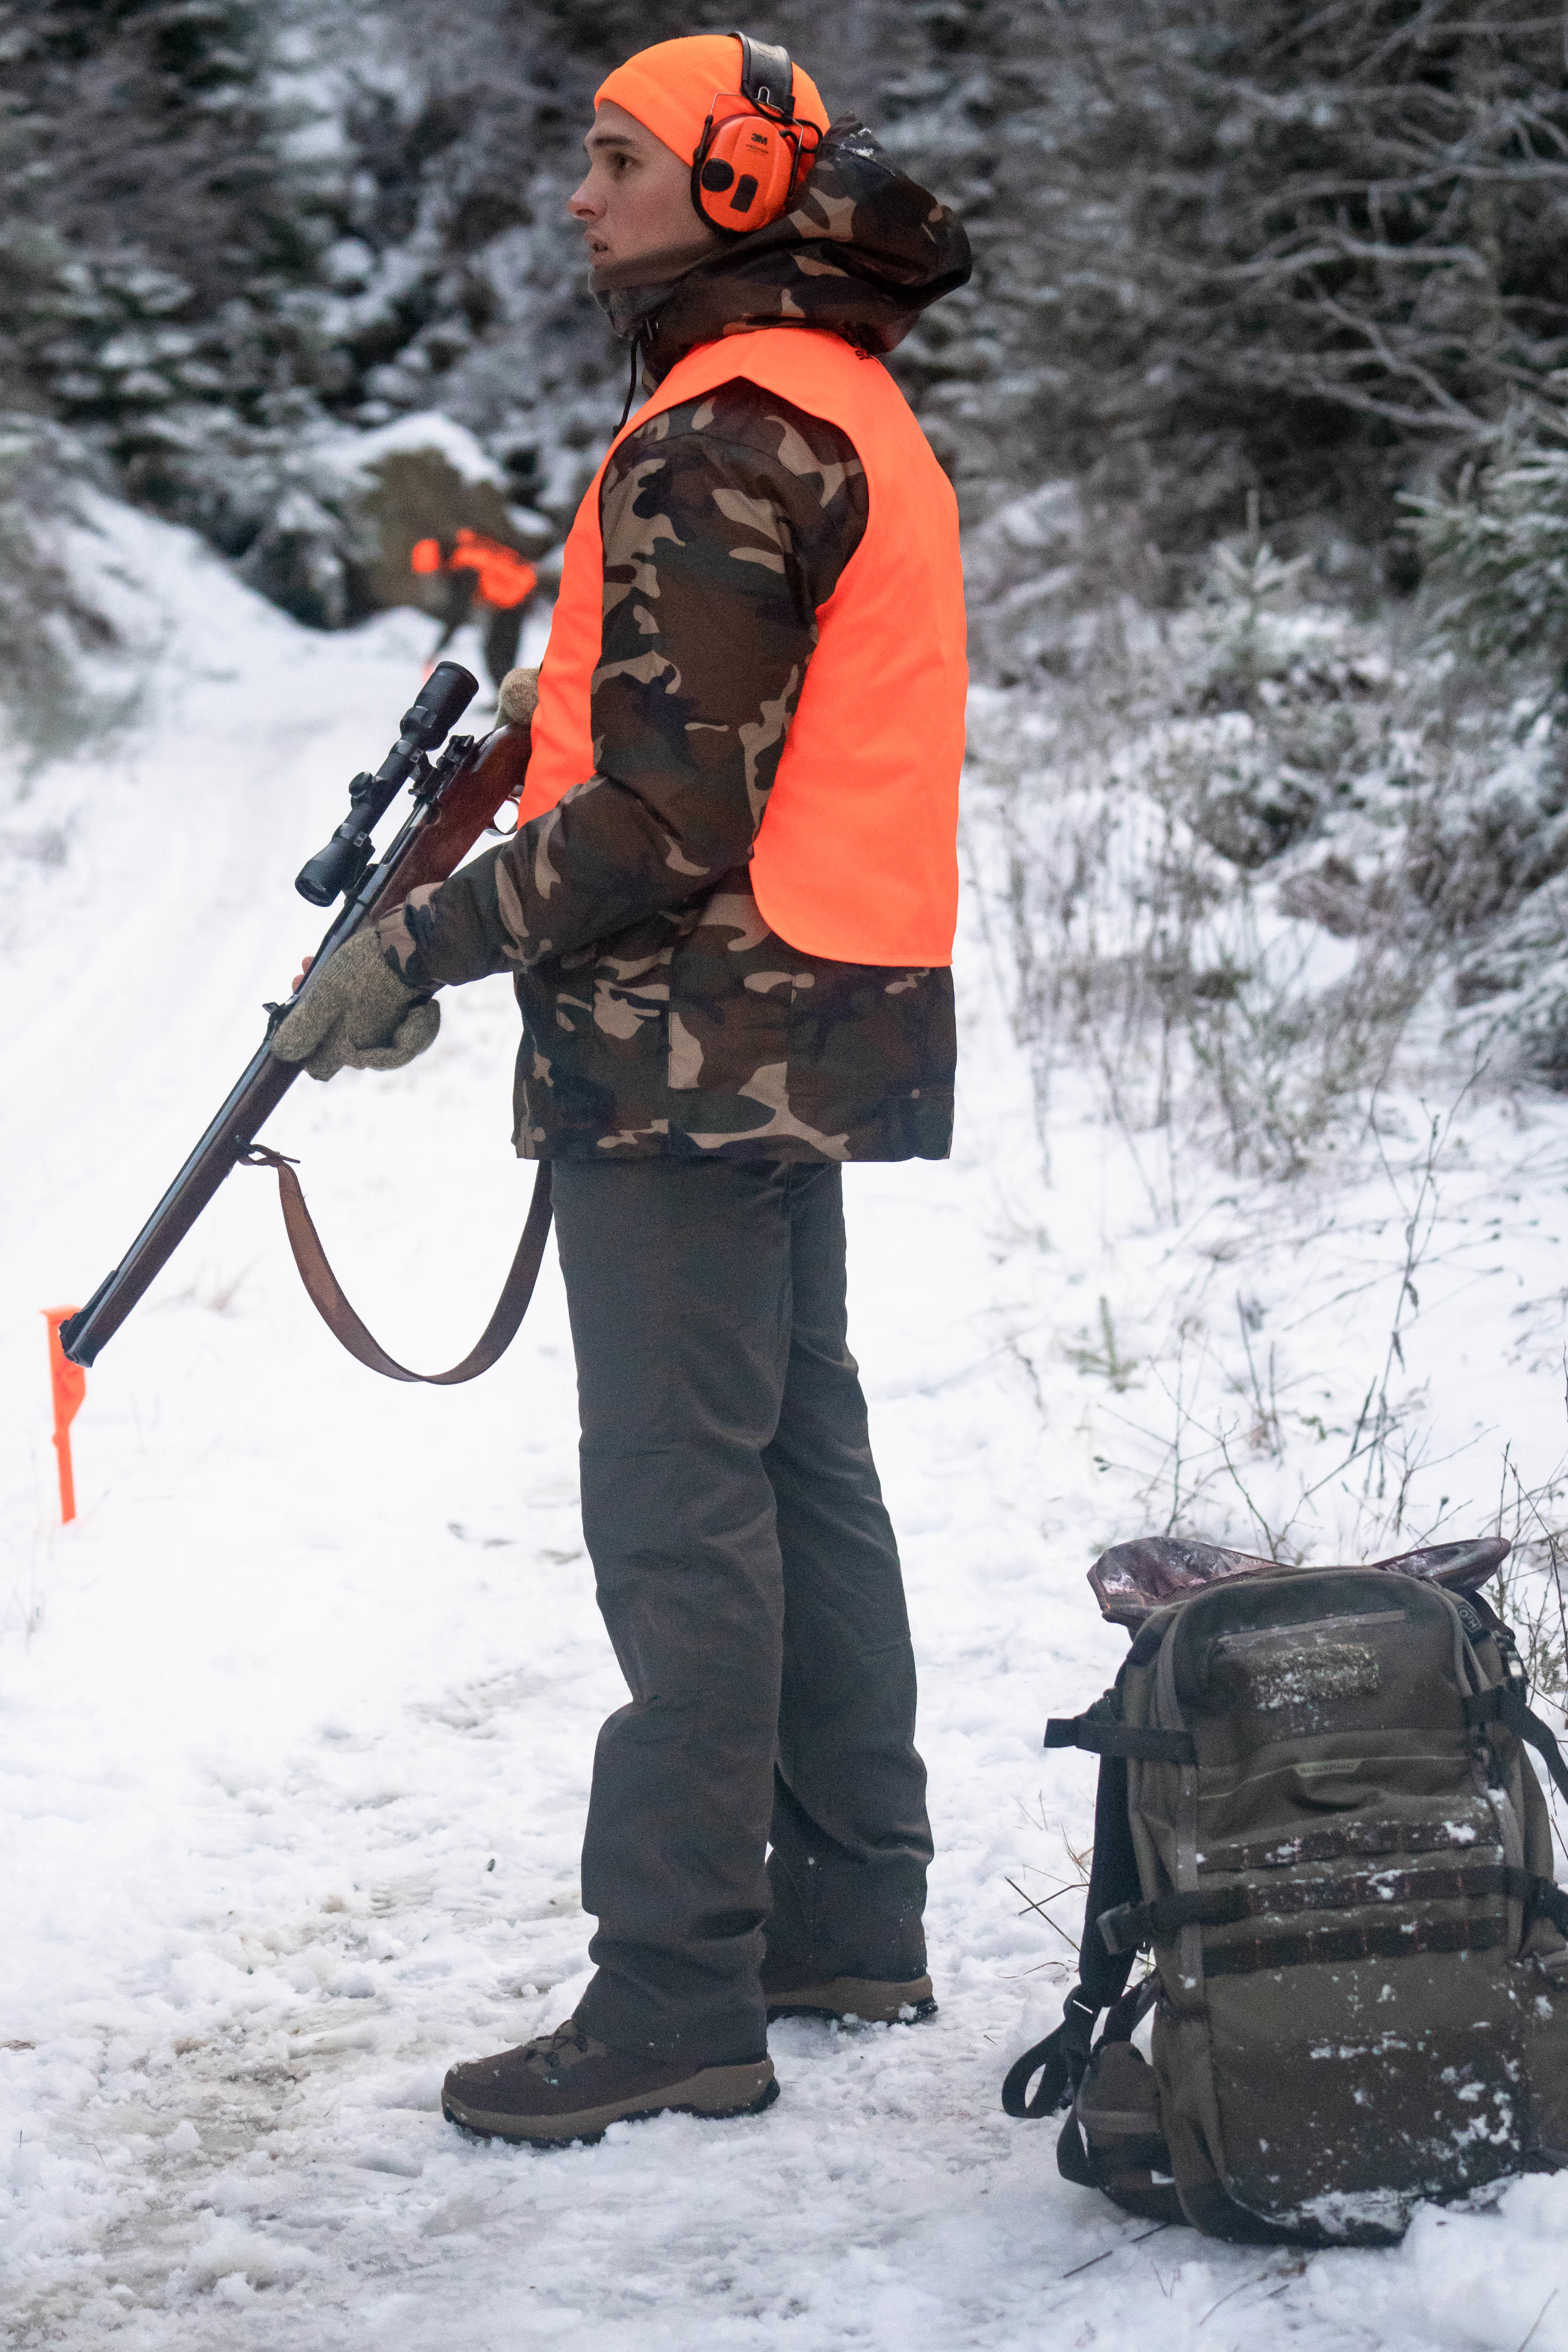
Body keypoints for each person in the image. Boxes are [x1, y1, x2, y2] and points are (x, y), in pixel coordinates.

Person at [272, 31, 970, 2146]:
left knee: (683, 1513)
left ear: (735, 186)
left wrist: (420, 939)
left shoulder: (714, 437)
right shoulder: (840, 398)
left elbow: (663, 815)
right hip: (817, 1013)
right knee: (797, 1467)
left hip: (686, 1040)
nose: (576, 200)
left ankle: (674, 1991)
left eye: (612, 161)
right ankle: (845, 1909)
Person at [409, 527, 538, 693]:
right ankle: (504, 697)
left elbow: (457, 614)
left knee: (497, 653)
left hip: (515, 600)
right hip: (514, 598)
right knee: (497, 651)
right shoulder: (467, 551)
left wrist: (437, 651)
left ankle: (509, 699)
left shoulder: (464, 566)